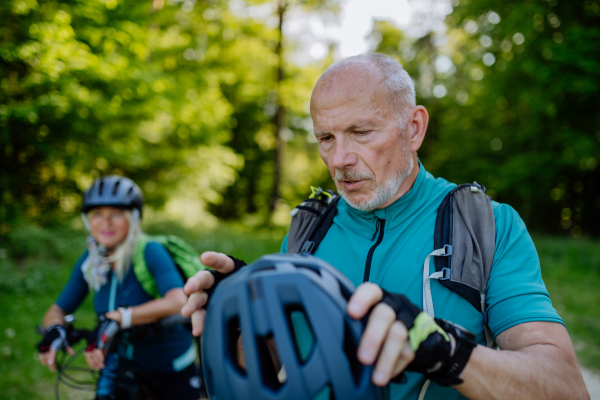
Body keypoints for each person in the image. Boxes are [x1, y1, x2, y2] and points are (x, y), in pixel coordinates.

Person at [182, 53, 589, 399]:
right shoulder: (310, 228)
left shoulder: (485, 225)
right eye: (326, 137)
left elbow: (565, 386)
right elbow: (275, 367)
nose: (340, 158)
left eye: (361, 132)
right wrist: (241, 314)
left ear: (413, 128)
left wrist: (443, 350)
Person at [38, 176, 201, 400]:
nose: (106, 222)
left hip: (169, 366)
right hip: (121, 365)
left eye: (116, 213)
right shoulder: (92, 261)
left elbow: (178, 300)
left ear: (132, 218)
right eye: (97, 214)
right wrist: (54, 330)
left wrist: (118, 318)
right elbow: (57, 310)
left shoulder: (149, 251)